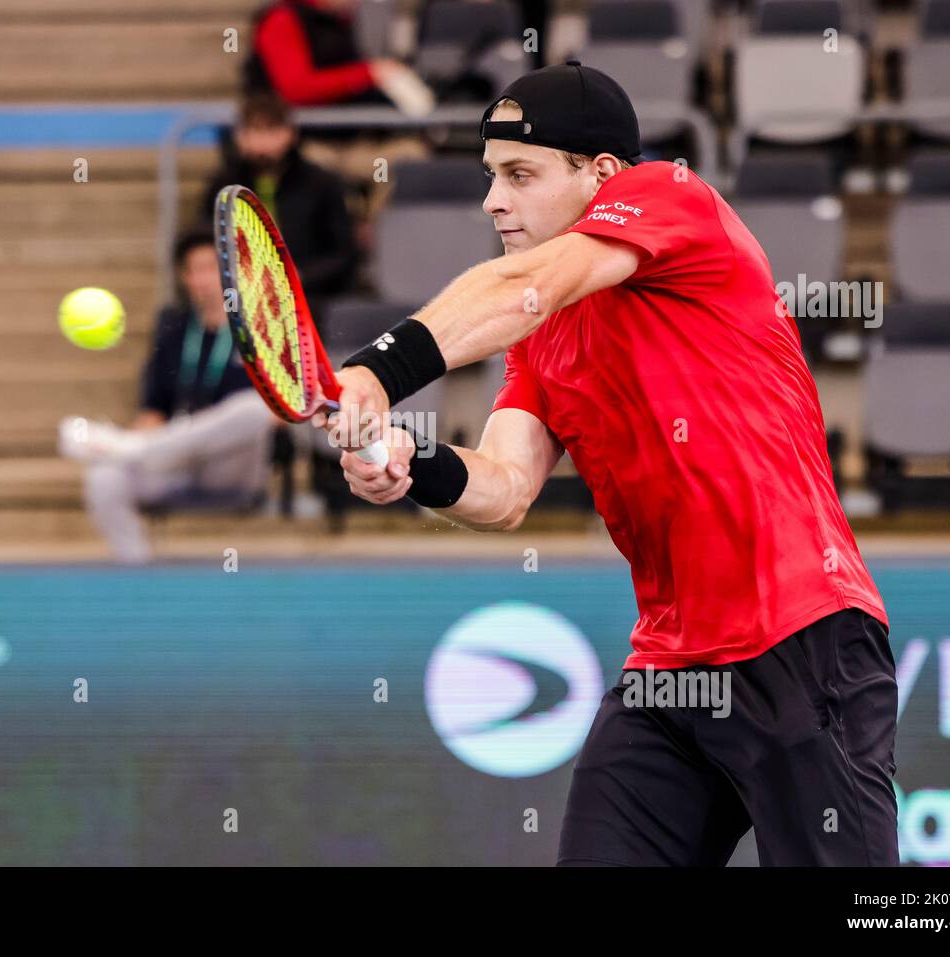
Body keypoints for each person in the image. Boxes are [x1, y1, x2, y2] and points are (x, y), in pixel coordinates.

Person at [315, 61, 898, 866]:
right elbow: (506, 488)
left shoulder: (674, 199)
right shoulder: (544, 336)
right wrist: (409, 461)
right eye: (490, 177)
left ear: (603, 176)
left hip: (800, 638)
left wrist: (380, 370)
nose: (494, 201)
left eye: (520, 175)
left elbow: (529, 283)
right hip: (669, 672)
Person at [60, 229, 280, 564]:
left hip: (234, 464)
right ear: (185, 278)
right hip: (177, 460)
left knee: (252, 408)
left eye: (211, 268)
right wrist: (146, 438)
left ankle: (134, 449)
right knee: (104, 477)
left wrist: (145, 445)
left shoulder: (262, 328)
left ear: (231, 272)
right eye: (194, 270)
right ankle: (136, 571)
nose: (203, 279)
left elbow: (281, 412)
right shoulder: (175, 331)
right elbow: (154, 412)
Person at [200, 94, 359, 318]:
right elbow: (206, 242)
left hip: (311, 303)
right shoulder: (223, 187)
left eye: (272, 131)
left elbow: (344, 254)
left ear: (291, 134)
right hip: (242, 304)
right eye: (255, 131)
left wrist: (298, 276)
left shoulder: (322, 184)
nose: (263, 142)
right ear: (240, 137)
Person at [244, 0, 406, 107]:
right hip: (293, 133)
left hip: (341, 124)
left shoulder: (338, 20)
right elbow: (296, 90)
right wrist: (368, 74)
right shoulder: (282, 19)